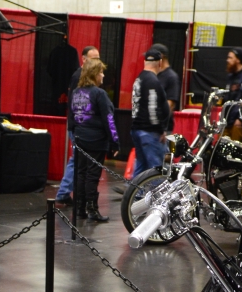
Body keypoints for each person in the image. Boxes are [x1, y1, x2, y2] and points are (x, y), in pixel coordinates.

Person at [67, 59, 118, 223]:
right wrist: (115, 142)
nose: (103, 75)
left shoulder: (76, 92)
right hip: (96, 140)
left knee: (80, 173)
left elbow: (72, 116)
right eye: (101, 72)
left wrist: (74, 134)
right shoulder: (99, 94)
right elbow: (108, 119)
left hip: (80, 138)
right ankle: (92, 209)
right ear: (94, 74)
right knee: (92, 175)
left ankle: (79, 208)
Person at [55, 45, 98, 207]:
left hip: (80, 126)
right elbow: (75, 104)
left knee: (78, 161)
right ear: (84, 59)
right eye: (93, 59)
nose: (96, 62)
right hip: (78, 126)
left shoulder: (85, 76)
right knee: (77, 160)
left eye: (98, 58)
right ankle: (63, 193)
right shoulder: (79, 76)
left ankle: (66, 193)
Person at [130, 50, 169, 177]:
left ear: (144, 62)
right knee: (157, 170)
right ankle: (157, 190)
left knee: (141, 168)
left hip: (137, 128)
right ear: (160, 63)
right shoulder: (152, 81)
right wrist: (161, 129)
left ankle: (135, 190)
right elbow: (153, 108)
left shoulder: (139, 79)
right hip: (149, 131)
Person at [150, 43, 180, 133]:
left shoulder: (171, 77)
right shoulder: (154, 75)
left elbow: (170, 105)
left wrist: (160, 126)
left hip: (160, 129)